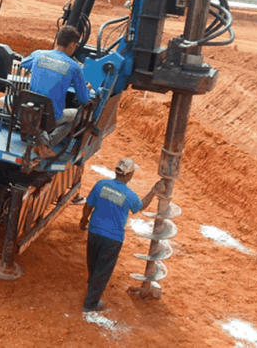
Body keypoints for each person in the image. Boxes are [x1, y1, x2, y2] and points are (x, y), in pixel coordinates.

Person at [79, 157, 159, 313]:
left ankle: (92, 285)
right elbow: (141, 206)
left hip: (94, 231)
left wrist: (83, 221)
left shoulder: (101, 184)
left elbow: (88, 206)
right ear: (129, 175)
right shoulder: (130, 195)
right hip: (113, 238)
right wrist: (154, 191)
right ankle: (90, 304)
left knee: (93, 262)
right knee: (103, 270)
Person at [20, 25, 92, 158]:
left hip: (29, 111)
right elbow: (84, 99)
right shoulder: (74, 67)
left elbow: (23, 64)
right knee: (77, 115)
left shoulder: (38, 54)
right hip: (52, 117)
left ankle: (41, 143)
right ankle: (47, 144)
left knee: (40, 109)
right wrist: (86, 88)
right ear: (72, 45)